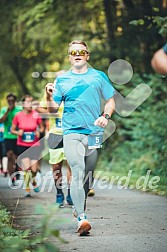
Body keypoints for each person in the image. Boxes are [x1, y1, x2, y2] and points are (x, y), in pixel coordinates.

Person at [45, 40, 115, 236]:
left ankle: (78, 205)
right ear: (69, 56)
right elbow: (52, 110)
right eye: (73, 52)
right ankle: (82, 218)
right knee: (77, 170)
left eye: (81, 51)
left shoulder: (98, 76)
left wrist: (105, 116)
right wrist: (48, 95)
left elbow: (110, 100)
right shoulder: (62, 80)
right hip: (72, 133)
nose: (77, 54)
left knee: (87, 177)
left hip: (94, 134)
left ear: (87, 55)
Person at [38, 97, 73, 207]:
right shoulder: (52, 93)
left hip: (71, 133)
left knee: (71, 165)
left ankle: (70, 193)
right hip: (55, 134)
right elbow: (40, 109)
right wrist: (51, 110)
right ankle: (59, 193)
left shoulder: (74, 91)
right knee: (56, 166)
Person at [11, 95, 44, 197]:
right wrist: (18, 133)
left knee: (34, 170)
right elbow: (12, 129)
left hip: (34, 145)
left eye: (32, 102)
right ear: (23, 104)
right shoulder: (18, 115)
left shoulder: (36, 115)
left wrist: (39, 132)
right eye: (28, 102)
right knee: (26, 168)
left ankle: (33, 182)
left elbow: (42, 128)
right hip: (22, 145)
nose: (30, 104)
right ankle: (27, 189)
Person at [0, 93, 22, 184]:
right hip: (8, 136)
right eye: (9, 101)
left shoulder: (19, 110)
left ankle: (17, 168)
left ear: (15, 101)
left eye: (12, 100)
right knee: (9, 156)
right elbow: (1, 121)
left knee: (17, 157)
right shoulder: (4, 109)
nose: (10, 102)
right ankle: (12, 177)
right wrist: (7, 111)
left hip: (18, 136)